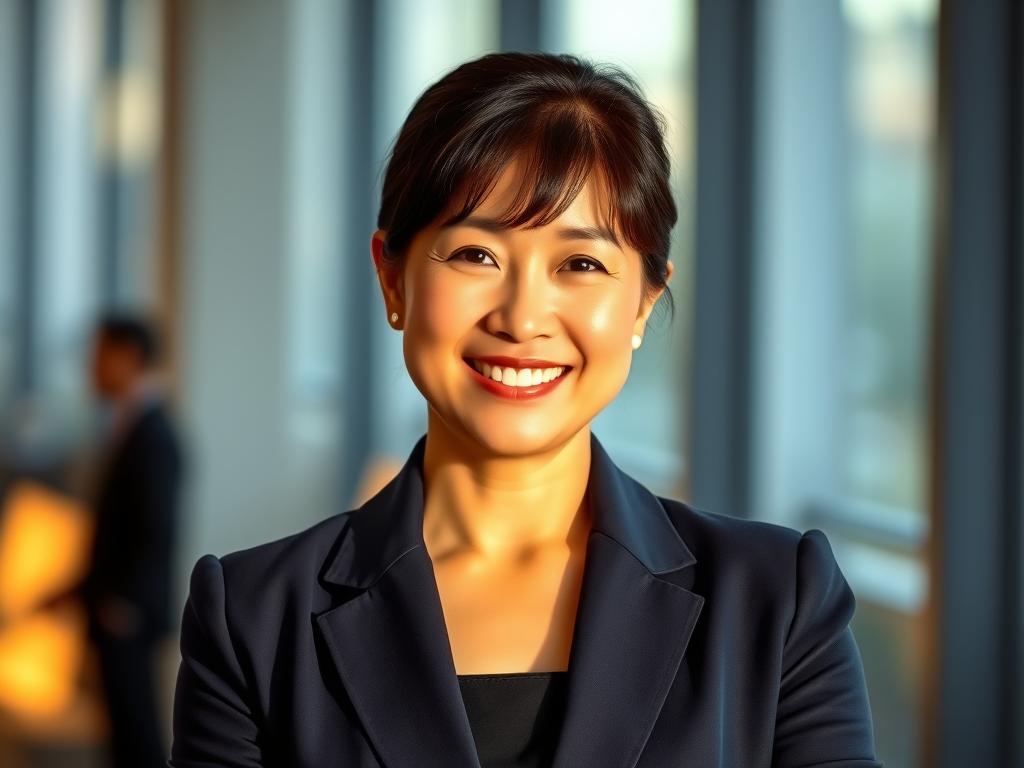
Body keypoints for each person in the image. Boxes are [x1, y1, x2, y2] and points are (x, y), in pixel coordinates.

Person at [168, 53, 881, 767]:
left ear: (644, 302)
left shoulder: (775, 602)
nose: (522, 318)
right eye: (477, 255)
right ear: (392, 277)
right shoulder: (254, 619)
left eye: (581, 264)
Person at [48, 311, 185, 767]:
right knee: (120, 737)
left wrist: (124, 604)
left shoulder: (155, 434)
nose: (91, 366)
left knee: (136, 738)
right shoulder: (130, 425)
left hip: (126, 618)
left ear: (127, 357)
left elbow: (156, 527)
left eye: (99, 354)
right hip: (113, 610)